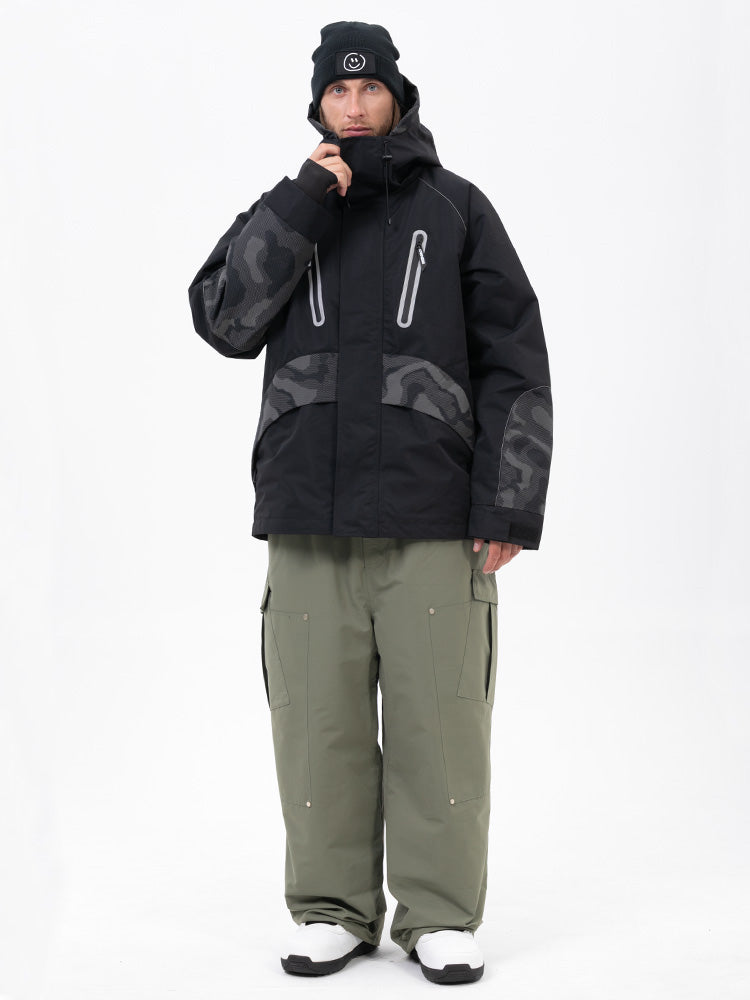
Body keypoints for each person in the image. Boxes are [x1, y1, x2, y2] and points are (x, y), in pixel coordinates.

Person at [187, 20, 553, 986]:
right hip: (309, 514)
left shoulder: (457, 209)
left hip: (434, 517)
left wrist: (508, 503)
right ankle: (332, 910)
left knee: (441, 725)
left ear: (398, 95)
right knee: (317, 726)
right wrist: (304, 200)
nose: (353, 107)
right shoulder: (290, 209)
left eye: (369, 89)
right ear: (318, 106)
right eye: (336, 93)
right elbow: (224, 319)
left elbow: (516, 360)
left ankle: (439, 915)